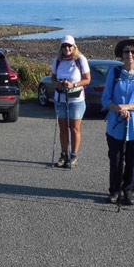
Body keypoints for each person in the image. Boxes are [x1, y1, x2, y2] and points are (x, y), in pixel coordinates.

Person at [101, 38, 134, 204]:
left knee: (133, 162)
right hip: (116, 126)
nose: (130, 54)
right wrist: (118, 109)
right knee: (116, 161)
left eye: (133, 51)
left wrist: (126, 107)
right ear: (121, 55)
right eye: (126, 51)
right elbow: (106, 99)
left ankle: (129, 190)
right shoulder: (114, 73)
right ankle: (114, 191)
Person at [52, 35, 91, 168]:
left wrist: (73, 85)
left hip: (76, 99)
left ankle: (73, 156)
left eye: (69, 46)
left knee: (74, 128)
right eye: (64, 46)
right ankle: (64, 155)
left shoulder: (80, 59)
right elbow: (53, 78)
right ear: (61, 48)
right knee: (63, 128)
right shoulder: (57, 61)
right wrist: (58, 84)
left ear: (74, 47)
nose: (67, 48)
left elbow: (87, 79)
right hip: (61, 99)